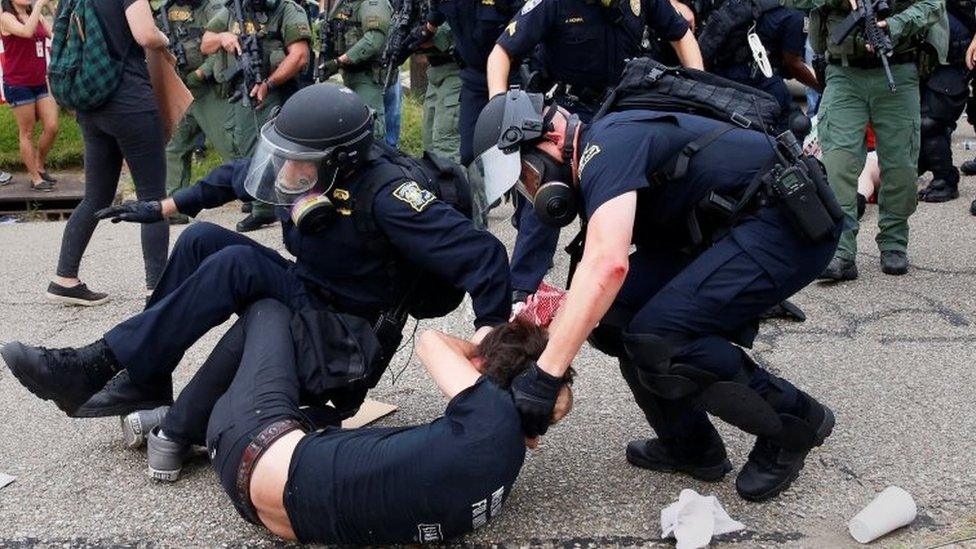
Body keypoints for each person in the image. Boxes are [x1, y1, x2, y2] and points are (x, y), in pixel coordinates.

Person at [1, 83, 510, 421]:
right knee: (202, 239)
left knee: (235, 263)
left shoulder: (390, 198)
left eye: (298, 164)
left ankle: (93, 364)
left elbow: (484, 256)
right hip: (312, 289)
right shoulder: (317, 171)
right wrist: (164, 207)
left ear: (340, 163)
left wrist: (490, 343)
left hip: (347, 329)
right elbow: (238, 176)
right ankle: (146, 377)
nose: (286, 174)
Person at [470, 90, 840, 502]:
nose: (533, 188)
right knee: (616, 316)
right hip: (729, 229)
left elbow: (608, 264)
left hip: (786, 224)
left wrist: (546, 377)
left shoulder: (603, 147)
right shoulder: (597, 151)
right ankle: (691, 446)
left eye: (528, 174)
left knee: (661, 336)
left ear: (552, 138)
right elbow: (598, 283)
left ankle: (796, 423)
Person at [485, 0, 703, 304]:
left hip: (625, 110)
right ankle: (520, 295)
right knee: (548, 195)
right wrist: (501, 108)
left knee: (647, 193)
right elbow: (501, 53)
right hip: (569, 112)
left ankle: (646, 288)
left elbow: (681, 34)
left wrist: (699, 88)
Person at [796, 0, 947, 280]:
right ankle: (841, 252)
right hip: (843, 74)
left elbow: (934, 4)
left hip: (897, 71)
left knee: (900, 164)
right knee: (839, 163)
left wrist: (895, 24)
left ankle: (894, 242)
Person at [47, 0, 172, 306]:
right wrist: (165, 38)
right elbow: (145, 34)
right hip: (129, 99)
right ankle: (157, 287)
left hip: (91, 102)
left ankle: (64, 278)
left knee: (96, 196)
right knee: (153, 197)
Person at [202, 0, 312, 233]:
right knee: (244, 142)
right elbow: (206, 44)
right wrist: (223, 37)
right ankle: (261, 201)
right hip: (244, 87)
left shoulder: (287, 10)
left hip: (278, 88)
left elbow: (300, 56)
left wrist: (269, 83)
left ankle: (267, 209)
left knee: (270, 147)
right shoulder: (233, 9)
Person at [160, 0, 237, 225]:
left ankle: (254, 196)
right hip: (181, 89)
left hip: (208, 90)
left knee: (228, 145)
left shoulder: (215, 10)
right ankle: (175, 205)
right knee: (175, 147)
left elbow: (221, 47)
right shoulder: (166, 10)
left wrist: (202, 73)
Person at [697, 1, 819, 124]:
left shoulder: (756, 5)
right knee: (795, 124)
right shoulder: (795, 17)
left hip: (724, 75)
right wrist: (823, 88)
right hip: (759, 78)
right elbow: (794, 65)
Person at [916, 0, 975, 203]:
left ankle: (945, 180)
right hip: (930, 63)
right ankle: (928, 167)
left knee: (931, 123)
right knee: (925, 121)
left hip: (957, 61)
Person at [1, 0, 59, 192]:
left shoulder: (37, 15)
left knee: (52, 126)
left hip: (40, 80)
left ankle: (39, 165)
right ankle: (34, 177)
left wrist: (51, 8)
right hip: (18, 83)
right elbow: (26, 32)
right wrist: (39, 6)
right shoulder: (6, 18)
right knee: (27, 132)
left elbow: (57, 37)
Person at [317, 0, 393, 140]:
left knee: (370, 129)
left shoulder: (373, 3)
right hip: (351, 74)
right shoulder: (343, 4)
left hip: (369, 75)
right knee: (354, 127)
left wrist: (339, 62)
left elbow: (373, 40)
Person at [419, 23, 461, 162]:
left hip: (457, 70)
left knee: (446, 142)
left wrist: (426, 36)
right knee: (428, 140)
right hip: (435, 71)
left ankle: (452, 183)